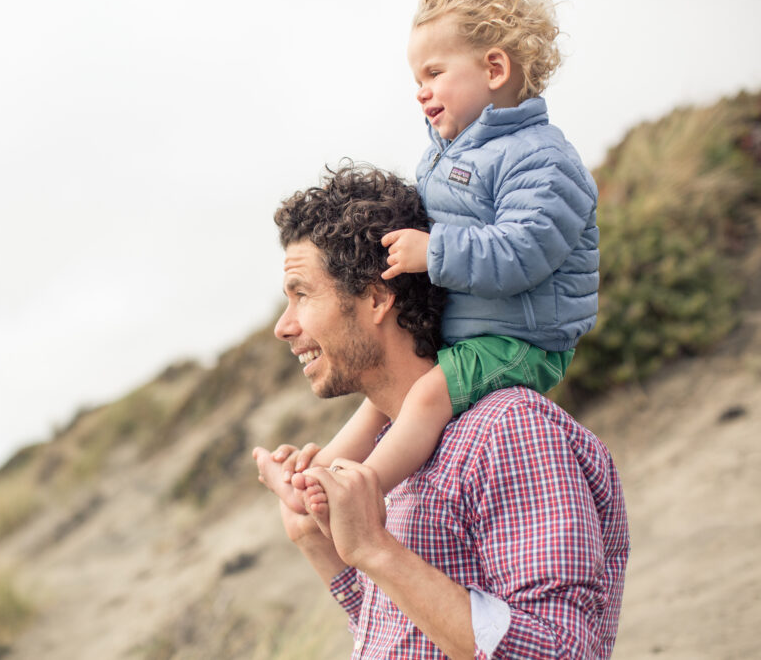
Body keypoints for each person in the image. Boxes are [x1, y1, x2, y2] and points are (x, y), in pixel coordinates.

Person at [254, 162, 628, 657]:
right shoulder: (392, 447)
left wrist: (376, 549)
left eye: (301, 294)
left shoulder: (510, 429)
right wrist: (318, 540)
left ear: (376, 297)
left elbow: (560, 650)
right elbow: (402, 633)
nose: (284, 326)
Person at [269, 0, 600, 519]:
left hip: (521, 337)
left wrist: (434, 251)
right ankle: (315, 477)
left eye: (435, 73)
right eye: (416, 77)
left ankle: (363, 488)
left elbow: (522, 253)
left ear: (495, 69)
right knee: (386, 401)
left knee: (425, 397)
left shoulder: (541, 159)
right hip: (475, 327)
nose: (420, 90)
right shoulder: (444, 157)